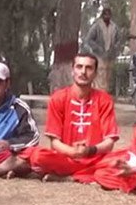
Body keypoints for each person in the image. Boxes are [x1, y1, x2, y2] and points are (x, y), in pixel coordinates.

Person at [30, 53, 120, 182]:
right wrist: (73, 152)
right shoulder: (58, 98)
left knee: (123, 159)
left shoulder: (104, 100)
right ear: (72, 71)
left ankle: (70, 177)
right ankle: (87, 176)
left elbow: (109, 142)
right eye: (79, 67)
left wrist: (89, 150)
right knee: (37, 156)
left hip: (94, 158)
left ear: (95, 74)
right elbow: (55, 142)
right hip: (66, 158)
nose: (83, 72)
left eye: (89, 68)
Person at [84, 8, 122, 91]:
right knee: (100, 75)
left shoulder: (114, 27)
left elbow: (119, 39)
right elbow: (89, 39)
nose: (107, 16)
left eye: (109, 14)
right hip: (99, 55)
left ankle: (104, 95)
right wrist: (97, 48)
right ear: (102, 15)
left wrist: (115, 48)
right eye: (105, 14)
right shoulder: (97, 26)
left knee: (108, 77)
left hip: (110, 55)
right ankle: (100, 94)